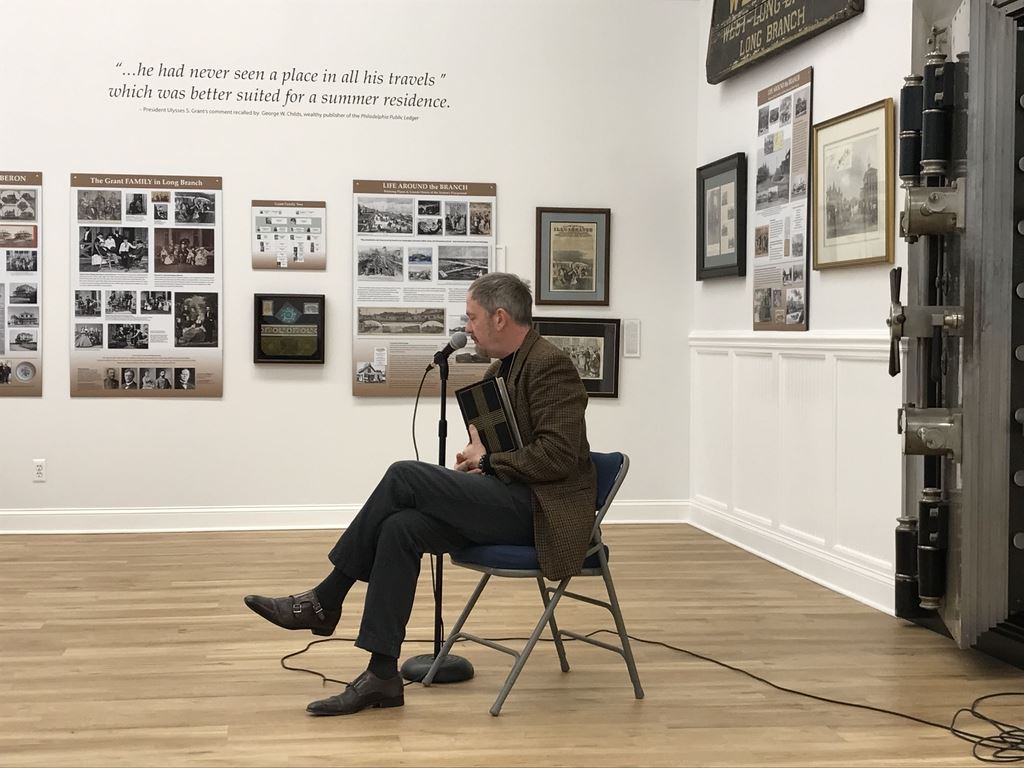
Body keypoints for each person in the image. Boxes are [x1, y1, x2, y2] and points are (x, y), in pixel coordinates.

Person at [244, 272, 596, 717]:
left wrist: (489, 463)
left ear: (500, 317)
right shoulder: (499, 369)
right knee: (400, 527)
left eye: (472, 317)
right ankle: (382, 675)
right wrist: (480, 454)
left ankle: (325, 599)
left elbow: (559, 456)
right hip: (506, 496)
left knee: (403, 476)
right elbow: (515, 447)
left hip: (540, 513)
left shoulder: (550, 365)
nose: (467, 326)